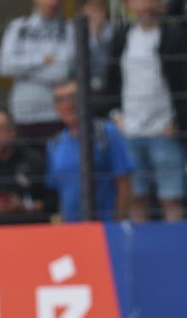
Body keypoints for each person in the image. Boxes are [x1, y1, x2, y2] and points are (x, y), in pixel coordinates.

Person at [107, 0, 187, 222]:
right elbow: (112, 80)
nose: (143, 6)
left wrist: (178, 121)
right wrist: (116, 115)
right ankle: (140, 252)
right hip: (130, 130)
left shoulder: (173, 35)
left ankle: (177, 247)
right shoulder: (123, 36)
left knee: (171, 196)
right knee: (136, 197)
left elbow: (184, 80)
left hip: (164, 129)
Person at [46, 80, 133, 222]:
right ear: (56, 107)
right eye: (61, 100)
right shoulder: (55, 143)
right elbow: (61, 192)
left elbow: (124, 183)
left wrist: (117, 225)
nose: (69, 104)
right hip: (72, 233)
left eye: (73, 97)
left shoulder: (106, 133)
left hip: (104, 231)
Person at [0, 0, 75, 152]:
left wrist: (22, 71)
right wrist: (42, 60)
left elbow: (61, 71)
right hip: (23, 114)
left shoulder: (68, 28)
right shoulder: (18, 26)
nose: (51, 3)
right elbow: (4, 67)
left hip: (56, 114)